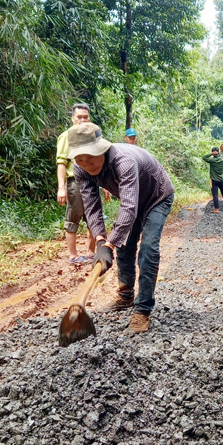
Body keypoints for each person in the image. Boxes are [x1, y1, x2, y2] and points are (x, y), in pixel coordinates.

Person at [69, 122, 175, 334]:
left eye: (90, 157)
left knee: (148, 249)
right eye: (80, 159)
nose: (86, 164)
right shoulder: (81, 169)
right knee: (124, 246)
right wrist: (101, 241)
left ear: (101, 149)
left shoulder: (123, 161)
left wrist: (109, 242)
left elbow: (128, 207)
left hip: (157, 197)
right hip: (133, 199)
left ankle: (143, 310)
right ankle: (126, 295)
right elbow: (92, 205)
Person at [56, 103, 96, 264]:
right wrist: (61, 188)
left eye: (85, 117)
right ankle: (73, 256)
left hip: (92, 181)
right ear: (73, 119)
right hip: (75, 182)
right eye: (79, 117)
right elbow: (61, 163)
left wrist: (104, 184)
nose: (82, 120)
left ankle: (90, 253)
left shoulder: (92, 135)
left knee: (93, 217)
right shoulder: (66, 136)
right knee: (73, 217)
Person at [202, 147, 223, 213]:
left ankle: (216, 209)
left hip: (214, 180)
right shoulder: (222, 159)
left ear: (213, 153)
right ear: (218, 152)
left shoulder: (212, 160)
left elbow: (204, 157)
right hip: (220, 179)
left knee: (215, 194)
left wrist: (211, 154)